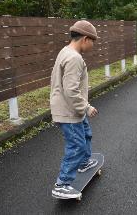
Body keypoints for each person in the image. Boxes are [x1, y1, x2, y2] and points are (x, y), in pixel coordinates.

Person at [50, 20, 100, 199]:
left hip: (70, 108)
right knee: (76, 145)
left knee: (85, 133)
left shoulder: (66, 51)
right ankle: (62, 184)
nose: (93, 45)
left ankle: (84, 162)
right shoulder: (74, 58)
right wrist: (86, 107)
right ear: (85, 39)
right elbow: (70, 90)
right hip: (69, 111)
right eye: (93, 41)